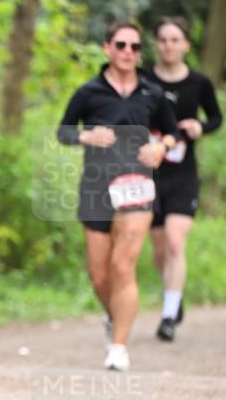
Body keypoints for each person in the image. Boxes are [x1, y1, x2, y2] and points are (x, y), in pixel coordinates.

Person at [57, 21, 179, 371]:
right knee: (100, 275)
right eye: (122, 45)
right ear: (108, 48)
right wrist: (86, 137)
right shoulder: (89, 92)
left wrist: (162, 148)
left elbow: (171, 132)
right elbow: (64, 131)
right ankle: (116, 317)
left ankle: (119, 347)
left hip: (138, 187)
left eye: (135, 47)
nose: (128, 53)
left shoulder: (152, 93)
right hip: (96, 187)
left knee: (123, 265)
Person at [147, 17, 223, 341]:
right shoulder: (143, 80)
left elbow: (216, 117)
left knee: (177, 241)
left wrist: (199, 128)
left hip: (183, 173)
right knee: (161, 248)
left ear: (186, 45)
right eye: (163, 40)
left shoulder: (199, 82)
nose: (169, 46)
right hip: (149, 172)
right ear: (156, 44)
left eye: (175, 40)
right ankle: (172, 296)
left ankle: (168, 316)